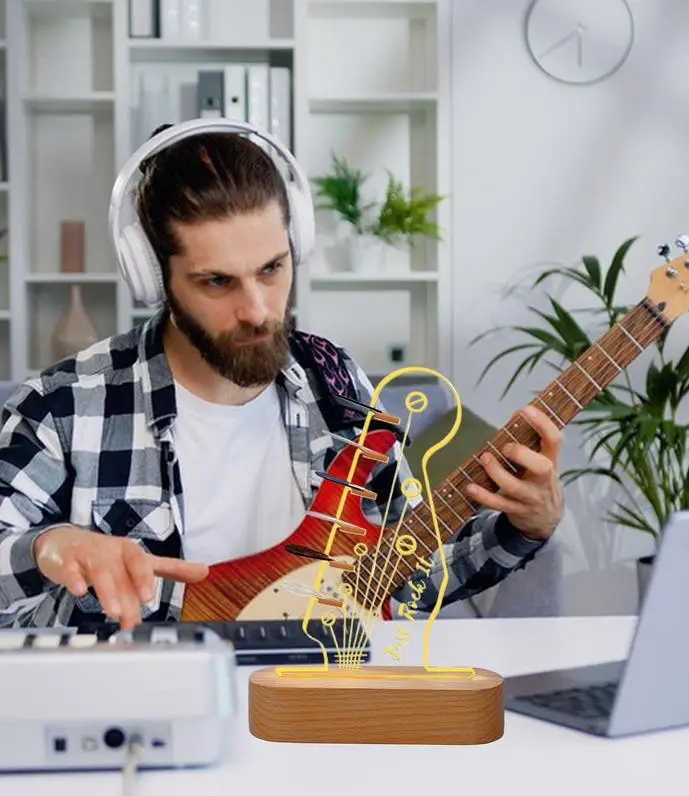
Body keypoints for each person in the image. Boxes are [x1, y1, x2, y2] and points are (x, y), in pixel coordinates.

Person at [0, 119, 563, 631]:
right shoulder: (62, 407)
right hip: (148, 717)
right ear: (153, 278)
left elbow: (400, 580)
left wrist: (523, 527)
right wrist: (50, 545)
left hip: (320, 706)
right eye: (217, 282)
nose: (257, 309)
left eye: (272, 268)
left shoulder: (336, 384)